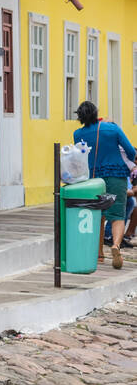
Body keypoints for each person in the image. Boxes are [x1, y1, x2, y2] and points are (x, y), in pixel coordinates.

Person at [73, 100, 135, 270]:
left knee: (98, 215)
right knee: (117, 215)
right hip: (115, 175)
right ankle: (116, 246)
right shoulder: (112, 129)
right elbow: (131, 151)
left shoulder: (77, 134)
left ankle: (99, 254)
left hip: (92, 179)